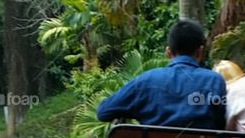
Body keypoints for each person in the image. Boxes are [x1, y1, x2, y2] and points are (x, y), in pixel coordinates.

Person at [96, 18, 227, 129]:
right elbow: (221, 124)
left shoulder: (146, 80)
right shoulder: (214, 81)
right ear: (200, 52)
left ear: (168, 52)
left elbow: (103, 112)